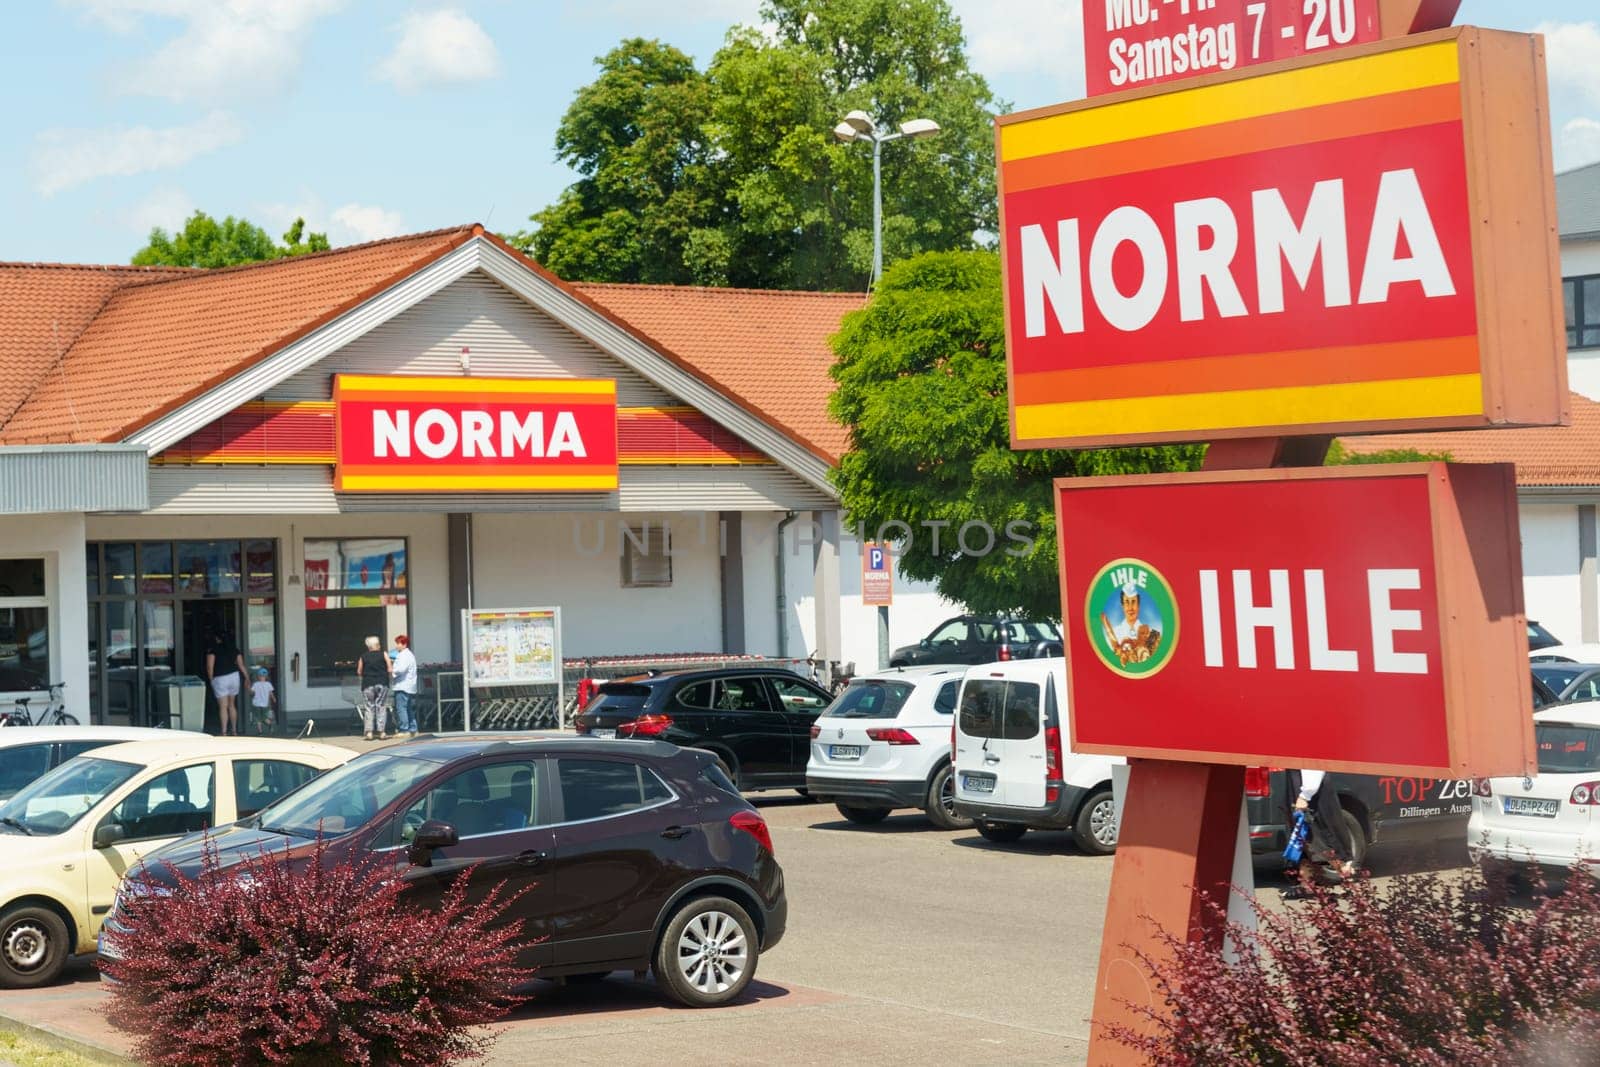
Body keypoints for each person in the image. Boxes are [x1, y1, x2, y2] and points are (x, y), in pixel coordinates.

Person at [1286, 769, 1357, 887]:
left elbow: (1314, 767)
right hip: (1305, 793)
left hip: (1313, 797)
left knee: (1324, 841)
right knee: (1304, 842)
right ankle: (1305, 884)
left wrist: (1305, 796)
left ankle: (1347, 874)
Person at [206, 629, 249, 736]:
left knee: (223, 706)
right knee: (232, 705)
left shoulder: (212, 650)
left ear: (217, 638)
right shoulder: (234, 649)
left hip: (220, 678)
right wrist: (247, 678)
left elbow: (209, 667)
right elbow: (241, 665)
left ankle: (224, 732)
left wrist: (211, 680)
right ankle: (234, 731)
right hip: (234, 677)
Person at [356, 635, 392, 741]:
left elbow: (359, 671)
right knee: (381, 706)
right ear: (376, 645)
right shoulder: (384, 654)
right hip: (382, 682)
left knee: (369, 707)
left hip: (367, 684)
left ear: (368, 646)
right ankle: (381, 732)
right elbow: (390, 668)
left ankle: (369, 733)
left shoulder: (363, 656)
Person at [391, 635, 419, 737]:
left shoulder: (403, 655)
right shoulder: (409, 654)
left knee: (401, 708)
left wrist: (392, 670)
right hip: (409, 686)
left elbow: (401, 669)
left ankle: (404, 730)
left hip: (402, 685)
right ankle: (413, 729)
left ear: (404, 644)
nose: (397, 646)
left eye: (398, 643)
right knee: (408, 708)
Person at [249, 667, 276, 735]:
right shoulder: (268, 684)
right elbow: (271, 693)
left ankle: (261, 731)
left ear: (258, 676)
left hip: (256, 703)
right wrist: (273, 698)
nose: (262, 677)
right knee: (263, 718)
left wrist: (249, 688)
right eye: (262, 676)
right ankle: (267, 727)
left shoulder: (256, 684)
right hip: (264, 704)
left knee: (259, 718)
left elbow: (251, 692)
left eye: (262, 676)